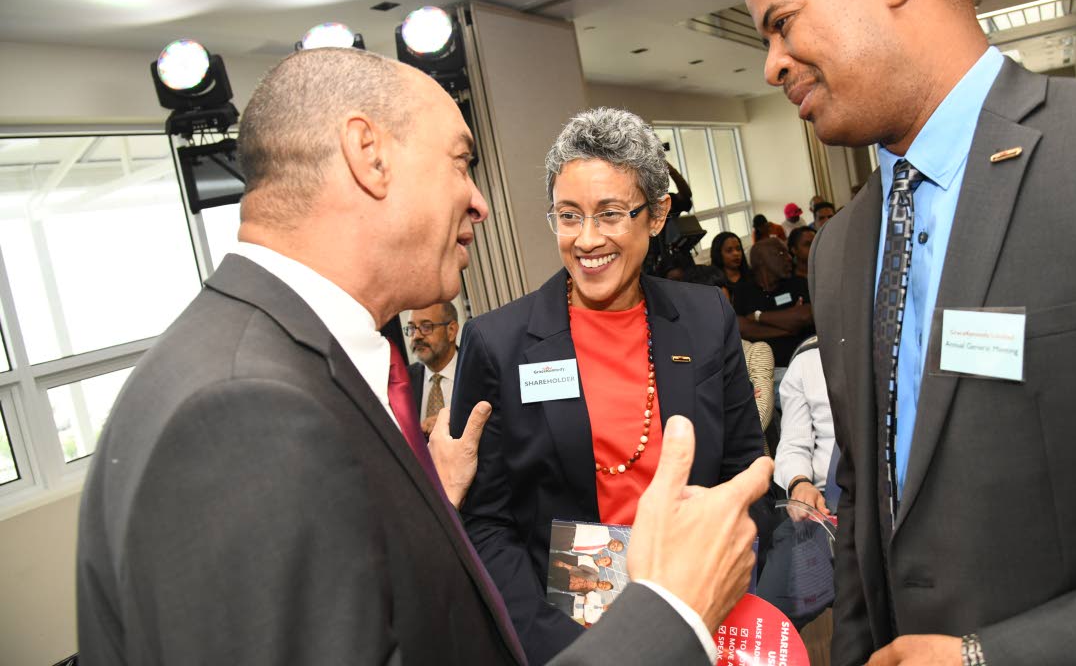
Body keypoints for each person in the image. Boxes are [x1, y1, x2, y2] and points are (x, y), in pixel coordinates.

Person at [76, 48, 774, 666]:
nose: (479, 202)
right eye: (461, 161)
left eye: (611, 213)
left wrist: (427, 495)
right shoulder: (240, 409)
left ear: (652, 216)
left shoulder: (273, 366)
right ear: (368, 154)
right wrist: (669, 619)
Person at [743, 0, 1076, 666]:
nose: (773, 64)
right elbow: (866, 513)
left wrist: (992, 657)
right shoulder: (845, 249)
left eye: (782, 24)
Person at [451, 107, 767, 665]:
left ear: (657, 214)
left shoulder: (705, 316)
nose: (587, 239)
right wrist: (554, 646)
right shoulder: (497, 343)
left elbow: (740, 467)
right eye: (568, 216)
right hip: (564, 631)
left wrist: (726, 593)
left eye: (611, 214)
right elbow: (486, 524)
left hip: (701, 607)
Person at [775, 336, 835, 518]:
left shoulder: (902, 357)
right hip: (822, 499)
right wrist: (799, 482)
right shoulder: (806, 362)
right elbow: (793, 444)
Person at [732, 237, 813, 366]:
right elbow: (741, 328)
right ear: (761, 260)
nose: (789, 258)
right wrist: (788, 327)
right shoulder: (743, 290)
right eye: (781, 253)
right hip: (764, 370)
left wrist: (758, 317)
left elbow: (804, 316)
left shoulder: (797, 283)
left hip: (802, 362)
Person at [405, 300, 459, 437]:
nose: (416, 336)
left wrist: (455, 424)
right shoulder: (402, 381)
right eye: (411, 328)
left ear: (451, 331)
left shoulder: (479, 369)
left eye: (426, 327)